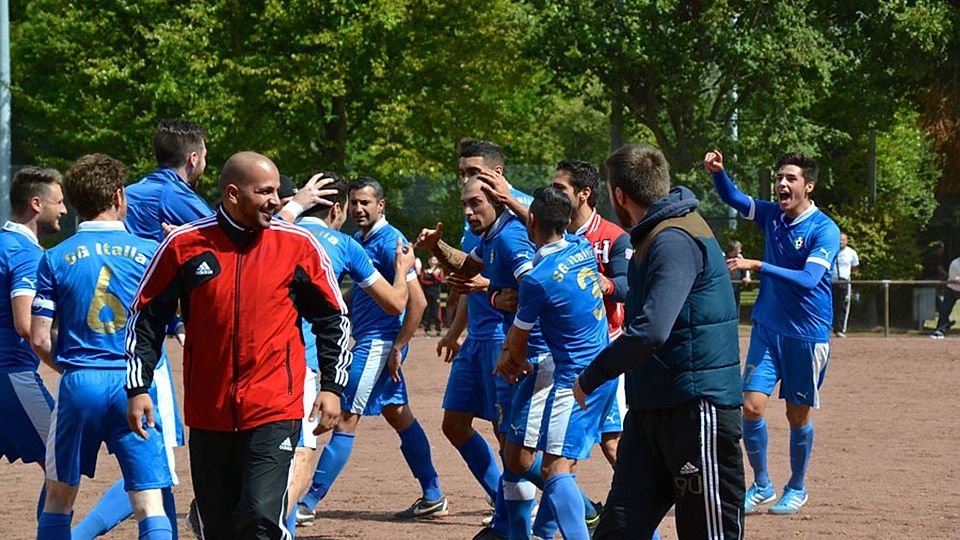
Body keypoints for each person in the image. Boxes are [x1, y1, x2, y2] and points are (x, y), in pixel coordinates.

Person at [126, 151, 350, 539]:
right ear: (233, 194)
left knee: (261, 518)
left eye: (278, 191)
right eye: (264, 191)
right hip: (208, 412)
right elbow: (145, 317)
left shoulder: (298, 245)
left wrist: (332, 387)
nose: (276, 201)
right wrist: (138, 387)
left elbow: (333, 318)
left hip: (274, 408)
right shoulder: (184, 244)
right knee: (219, 527)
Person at [575, 144, 744, 539]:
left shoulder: (674, 240)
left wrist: (591, 376)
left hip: (695, 411)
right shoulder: (654, 237)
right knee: (617, 529)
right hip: (652, 410)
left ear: (619, 196)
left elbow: (652, 330)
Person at [32, 154, 175, 540]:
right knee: (149, 502)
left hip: (80, 381)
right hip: (136, 385)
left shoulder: (54, 257)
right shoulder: (151, 253)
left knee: (59, 498)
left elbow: (40, 336)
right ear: (117, 196)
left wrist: (70, 368)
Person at [706, 148, 839, 516]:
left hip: (807, 336)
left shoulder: (823, 229)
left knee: (797, 417)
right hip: (767, 328)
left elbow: (811, 279)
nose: (782, 183)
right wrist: (719, 172)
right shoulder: (770, 214)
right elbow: (733, 198)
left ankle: (796, 486)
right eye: (779, 177)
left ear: (808, 186)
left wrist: (758, 264)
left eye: (790, 178)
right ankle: (761, 483)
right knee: (750, 407)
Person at [304, 176, 445, 520]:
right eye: (354, 203)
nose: (359, 209)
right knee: (399, 415)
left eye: (366, 202)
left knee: (345, 418)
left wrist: (399, 345)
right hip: (370, 340)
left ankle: (307, 503)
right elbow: (364, 293)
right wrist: (332, 305)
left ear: (381, 205)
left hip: (380, 344)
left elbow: (418, 304)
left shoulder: (391, 240)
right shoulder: (356, 240)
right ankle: (433, 494)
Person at [493, 187, 617, 540]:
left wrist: (510, 359)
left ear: (531, 221)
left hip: (573, 381)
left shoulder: (536, 278)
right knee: (559, 463)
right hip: (605, 368)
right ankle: (547, 530)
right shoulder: (582, 248)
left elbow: (518, 336)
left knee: (553, 468)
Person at [435, 138, 535, 540]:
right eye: (460, 174)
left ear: (495, 173)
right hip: (475, 334)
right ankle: (505, 503)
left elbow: (530, 281)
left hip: (503, 334)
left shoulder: (521, 213)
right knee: (455, 424)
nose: (464, 182)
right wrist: (454, 331)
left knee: (507, 437)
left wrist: (500, 302)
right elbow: (468, 275)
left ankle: (522, 517)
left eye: (472, 173)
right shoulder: (473, 212)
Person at [0, 167, 67, 520]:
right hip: (11, 376)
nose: (65, 210)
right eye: (59, 202)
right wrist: (68, 366)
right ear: (36, 203)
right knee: (63, 462)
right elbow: (26, 326)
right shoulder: (26, 254)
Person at [831, 233, 859, 337]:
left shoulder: (851, 253)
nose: (841, 242)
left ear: (846, 241)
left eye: (843, 240)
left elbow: (855, 267)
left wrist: (845, 275)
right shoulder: (831, 250)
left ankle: (839, 329)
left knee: (842, 305)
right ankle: (827, 328)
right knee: (829, 305)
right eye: (839, 240)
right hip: (830, 281)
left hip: (844, 282)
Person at [930, 255, 960, 339]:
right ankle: (940, 330)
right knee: (945, 310)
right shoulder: (955, 263)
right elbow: (955, 280)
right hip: (952, 289)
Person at [727, 240, 753, 319]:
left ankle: (735, 324)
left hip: (735, 287)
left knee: (735, 306)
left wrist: (747, 277)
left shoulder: (740, 257)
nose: (740, 251)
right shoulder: (722, 256)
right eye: (739, 249)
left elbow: (746, 269)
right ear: (734, 249)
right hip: (724, 287)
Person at [420, 256, 445, 336]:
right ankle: (426, 330)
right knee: (427, 311)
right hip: (426, 293)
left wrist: (434, 275)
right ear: (429, 261)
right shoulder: (425, 270)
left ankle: (438, 330)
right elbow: (422, 280)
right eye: (431, 259)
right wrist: (431, 282)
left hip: (435, 293)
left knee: (436, 311)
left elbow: (440, 280)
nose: (433, 261)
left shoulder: (439, 270)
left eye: (435, 259)